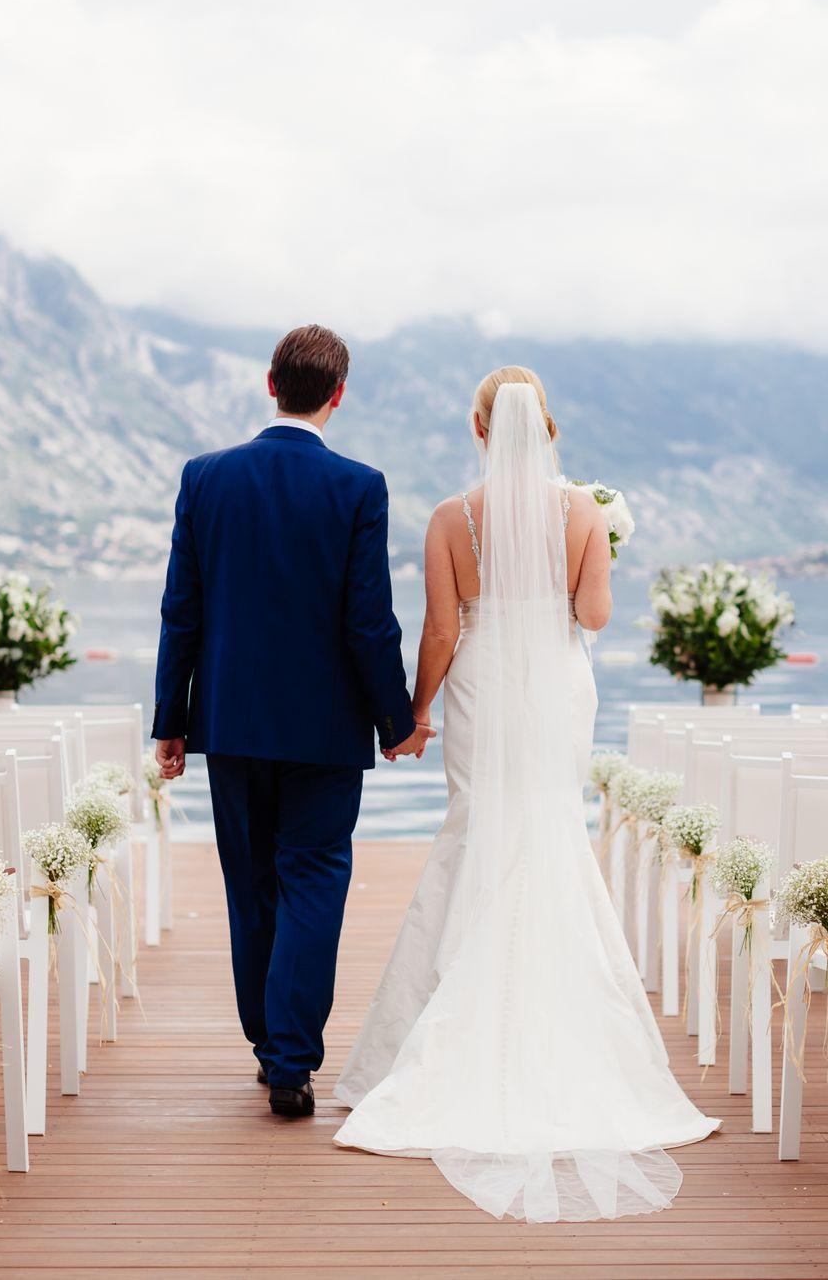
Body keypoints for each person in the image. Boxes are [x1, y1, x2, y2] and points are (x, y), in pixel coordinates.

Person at [332, 367, 718, 1220]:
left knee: (476, 829)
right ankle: (564, 1028)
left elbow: (438, 627)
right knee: (551, 831)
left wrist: (417, 708)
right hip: (553, 691)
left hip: (481, 685)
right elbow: (594, 617)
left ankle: (445, 1033)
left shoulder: (448, 518)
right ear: (547, 426)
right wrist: (600, 545)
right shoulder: (581, 511)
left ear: (479, 428)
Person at [152, 323, 429, 1119]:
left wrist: (170, 720)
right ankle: (290, 1060)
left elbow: (182, 612)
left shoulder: (204, 478)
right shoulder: (359, 486)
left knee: (251, 885)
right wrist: (397, 718)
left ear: (269, 383)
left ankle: (268, 1042)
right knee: (313, 877)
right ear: (337, 396)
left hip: (232, 722)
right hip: (325, 728)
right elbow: (368, 622)